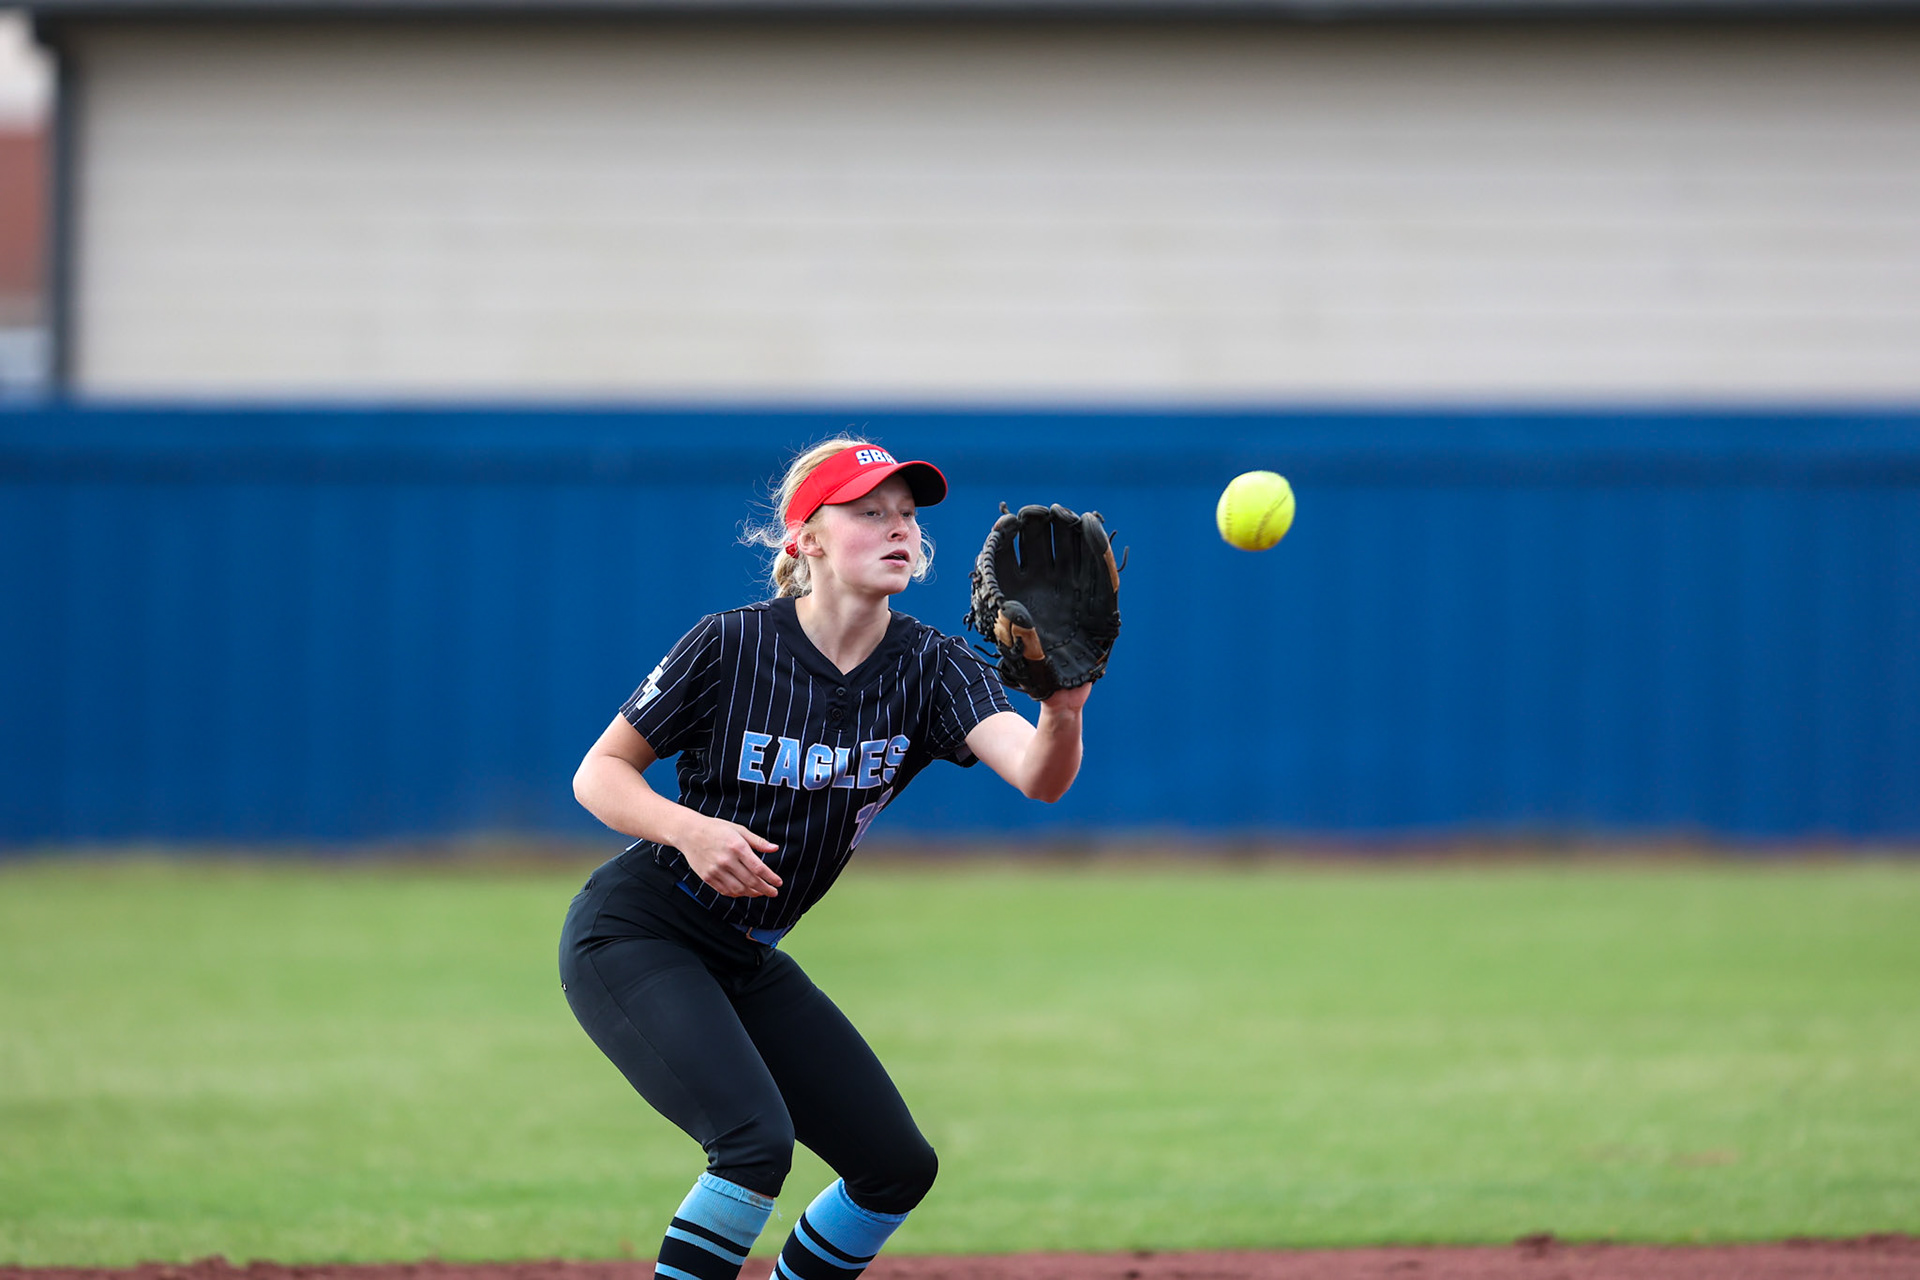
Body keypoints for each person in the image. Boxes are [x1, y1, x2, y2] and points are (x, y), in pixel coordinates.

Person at [561, 438, 1093, 1280]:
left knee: (895, 1169)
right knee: (752, 1146)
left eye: (908, 517)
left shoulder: (930, 665)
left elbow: (1038, 776)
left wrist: (1063, 708)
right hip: (640, 932)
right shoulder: (730, 645)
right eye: (869, 512)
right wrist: (689, 829)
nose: (898, 530)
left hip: (745, 954)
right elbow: (599, 774)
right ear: (805, 538)